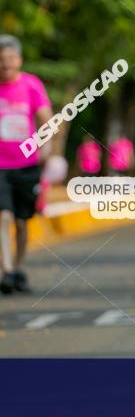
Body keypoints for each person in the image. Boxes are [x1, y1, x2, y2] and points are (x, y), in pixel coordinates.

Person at [0, 35, 52, 294]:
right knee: (3, 215)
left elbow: (46, 120)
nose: (6, 64)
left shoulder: (31, 85)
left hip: (27, 165)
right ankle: (6, 271)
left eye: (10, 58)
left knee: (21, 221)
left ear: (19, 60)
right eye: (1, 60)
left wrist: (47, 148)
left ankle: (18, 267)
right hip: (0, 167)